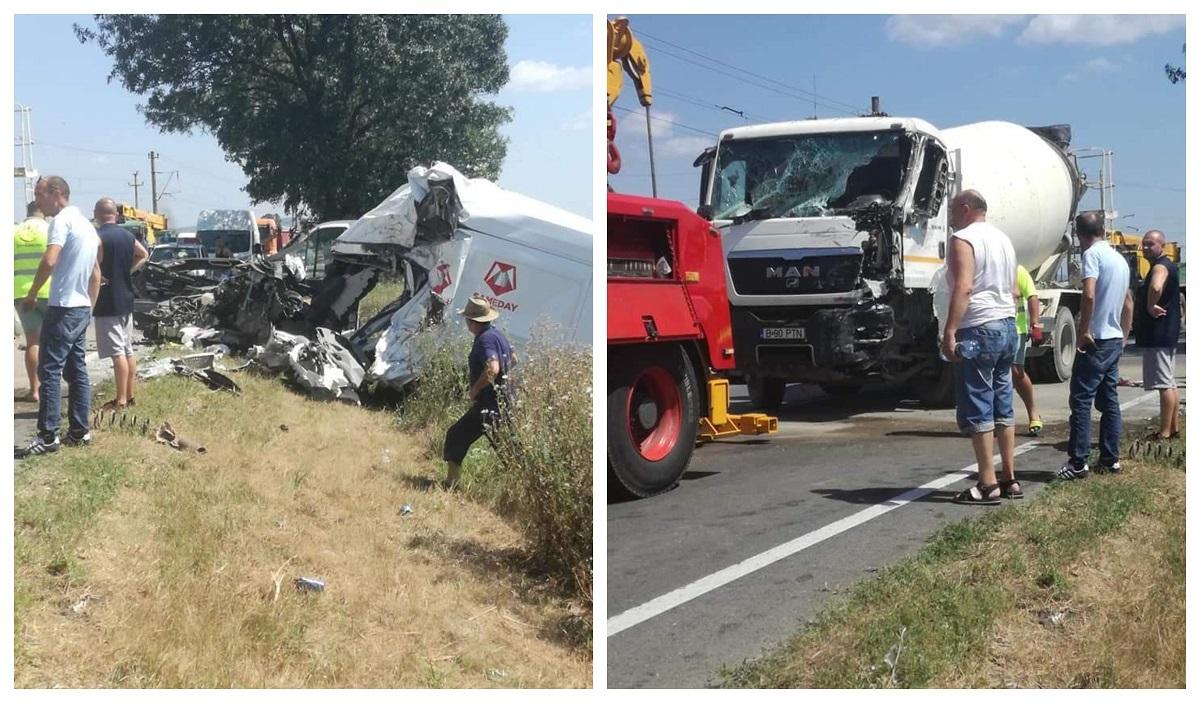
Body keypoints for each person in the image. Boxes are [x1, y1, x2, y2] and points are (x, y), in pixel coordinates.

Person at [941, 190, 1021, 504]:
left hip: (978, 326)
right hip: (1006, 325)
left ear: (964, 208)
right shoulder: (1004, 240)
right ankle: (1010, 478)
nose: (948, 215)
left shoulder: (963, 239)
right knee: (1003, 402)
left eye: (951, 209)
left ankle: (987, 482)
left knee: (978, 403)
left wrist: (949, 331)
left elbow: (964, 286)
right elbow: (1014, 290)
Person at [20, 176, 102, 455]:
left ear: (56, 193)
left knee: (50, 370)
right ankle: (79, 431)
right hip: (80, 307)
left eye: (39, 194)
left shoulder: (61, 221)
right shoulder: (88, 227)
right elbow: (96, 274)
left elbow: (50, 259)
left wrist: (32, 294)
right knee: (76, 370)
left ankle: (47, 436)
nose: (36, 201)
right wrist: (89, 307)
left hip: (63, 306)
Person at [1058, 211, 1134, 479]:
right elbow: (1128, 303)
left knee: (1081, 400)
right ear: (1102, 229)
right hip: (1113, 339)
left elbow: (1088, 294)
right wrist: (1124, 336)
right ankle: (1110, 459)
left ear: (1079, 234)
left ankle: (1077, 463)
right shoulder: (1119, 259)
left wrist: (1084, 330)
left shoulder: (1091, 255)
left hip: (1097, 339)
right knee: (1109, 401)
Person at [442, 296, 514, 489]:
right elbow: (513, 359)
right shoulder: (497, 334)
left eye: (467, 319)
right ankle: (524, 489)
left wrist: (475, 389)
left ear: (472, 321)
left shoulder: (484, 340)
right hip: (505, 399)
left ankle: (451, 484)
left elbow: (493, 368)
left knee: (456, 435)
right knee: (509, 448)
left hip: (490, 403)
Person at [92, 197, 149, 410]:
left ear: (97, 213)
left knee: (117, 354)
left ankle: (121, 400)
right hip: (126, 297)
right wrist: (127, 271)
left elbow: (94, 265)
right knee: (127, 350)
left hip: (107, 301)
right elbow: (143, 255)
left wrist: (101, 277)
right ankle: (130, 395)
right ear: (115, 214)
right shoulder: (127, 235)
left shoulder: (97, 237)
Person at [1133, 229, 1181, 441]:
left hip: (1158, 335)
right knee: (1169, 382)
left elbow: (1156, 284)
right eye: (1144, 244)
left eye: (1150, 244)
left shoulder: (1161, 266)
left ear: (1162, 245)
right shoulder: (1162, 265)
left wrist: (1151, 304)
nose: (1145, 247)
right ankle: (1173, 427)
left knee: (1163, 384)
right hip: (1165, 334)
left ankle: (1164, 432)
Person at [14, 200, 51, 402]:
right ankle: (50, 387)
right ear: (43, 212)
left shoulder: (14, 232)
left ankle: (34, 390)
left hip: (21, 293)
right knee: (53, 342)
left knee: (32, 342)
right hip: (49, 291)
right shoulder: (49, 229)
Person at [1013, 264, 1044, 436]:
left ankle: (1033, 412)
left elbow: (1032, 296)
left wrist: (1035, 324)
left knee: (1016, 372)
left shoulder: (1018, 271)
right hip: (993, 330)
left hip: (1017, 330)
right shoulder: (986, 269)